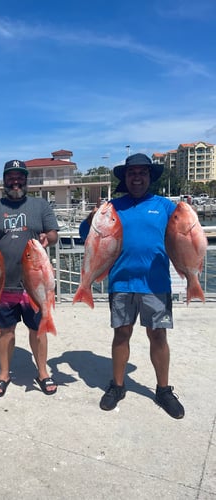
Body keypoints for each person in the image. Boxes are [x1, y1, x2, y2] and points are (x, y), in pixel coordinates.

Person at [80, 153, 185, 419]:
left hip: (156, 283)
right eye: (132, 173)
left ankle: (163, 389)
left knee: (158, 336)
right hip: (122, 282)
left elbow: (183, 234)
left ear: (150, 177)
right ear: (125, 178)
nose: (137, 177)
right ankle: (117, 386)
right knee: (121, 334)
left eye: (142, 173)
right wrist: (92, 215)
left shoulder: (165, 206)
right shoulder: (113, 207)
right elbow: (85, 234)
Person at [0, 160, 60, 397]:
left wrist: (48, 238)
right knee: (5, 331)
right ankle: (4, 374)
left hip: (34, 282)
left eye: (20, 177)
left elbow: (53, 234)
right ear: (4, 180)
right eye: (11, 177)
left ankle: (42, 372)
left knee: (38, 330)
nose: (16, 181)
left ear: (26, 180)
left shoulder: (40, 205)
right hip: (3, 283)